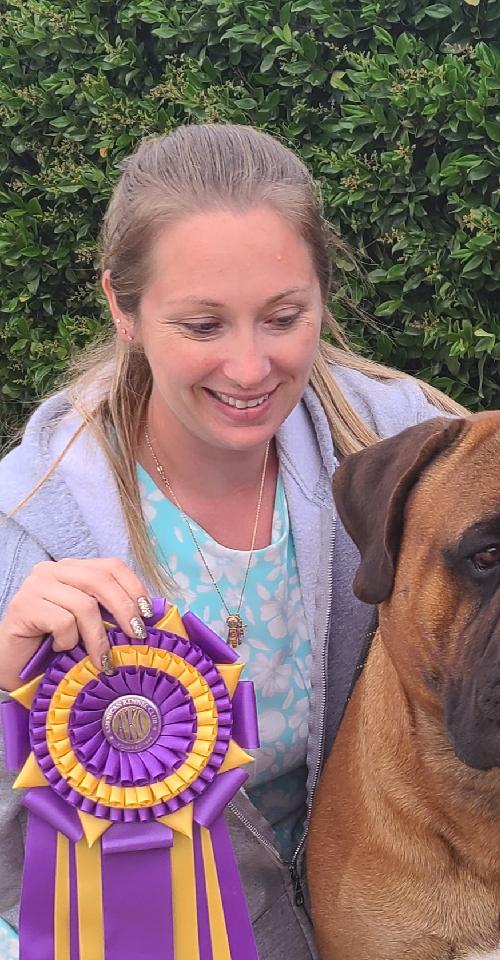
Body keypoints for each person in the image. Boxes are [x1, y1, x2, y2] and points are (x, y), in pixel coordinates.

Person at [0, 123, 464, 959]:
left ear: (322, 294)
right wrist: (5, 684)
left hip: (392, 908)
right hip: (142, 925)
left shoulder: (408, 450)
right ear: (123, 308)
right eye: (203, 325)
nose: (250, 370)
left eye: (284, 317)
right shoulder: (30, 519)